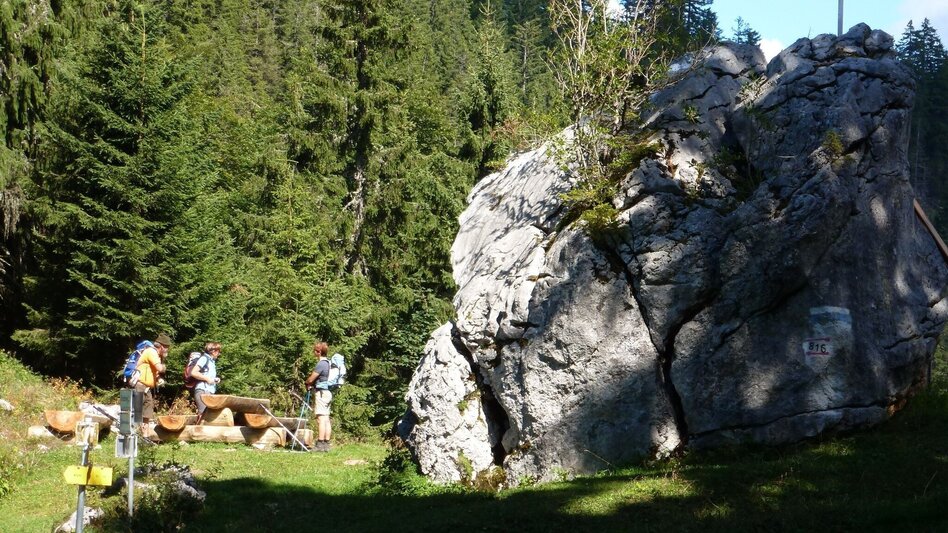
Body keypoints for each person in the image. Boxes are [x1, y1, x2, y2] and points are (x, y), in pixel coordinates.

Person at [134, 333, 171, 428]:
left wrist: (158, 379)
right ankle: (135, 436)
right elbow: (159, 368)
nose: (168, 350)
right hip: (140, 385)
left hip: (146, 388)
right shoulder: (151, 352)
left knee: (147, 413)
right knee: (137, 413)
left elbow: (154, 371)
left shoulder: (156, 355)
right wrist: (164, 367)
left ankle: (145, 437)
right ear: (162, 346)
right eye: (167, 347)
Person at [305, 341, 333, 452]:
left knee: (321, 419)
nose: (314, 353)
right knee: (326, 419)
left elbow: (311, 378)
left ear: (319, 352)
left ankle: (320, 443)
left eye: (315, 351)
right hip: (328, 393)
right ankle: (326, 444)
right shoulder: (328, 363)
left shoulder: (321, 364)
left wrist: (307, 383)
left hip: (321, 393)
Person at [191, 341, 221, 425]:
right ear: (213, 351)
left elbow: (206, 374)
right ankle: (196, 435)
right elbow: (194, 372)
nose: (219, 354)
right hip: (203, 390)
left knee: (205, 416)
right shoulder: (204, 358)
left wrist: (215, 379)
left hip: (208, 391)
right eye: (218, 351)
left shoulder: (212, 362)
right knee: (203, 415)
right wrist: (207, 379)